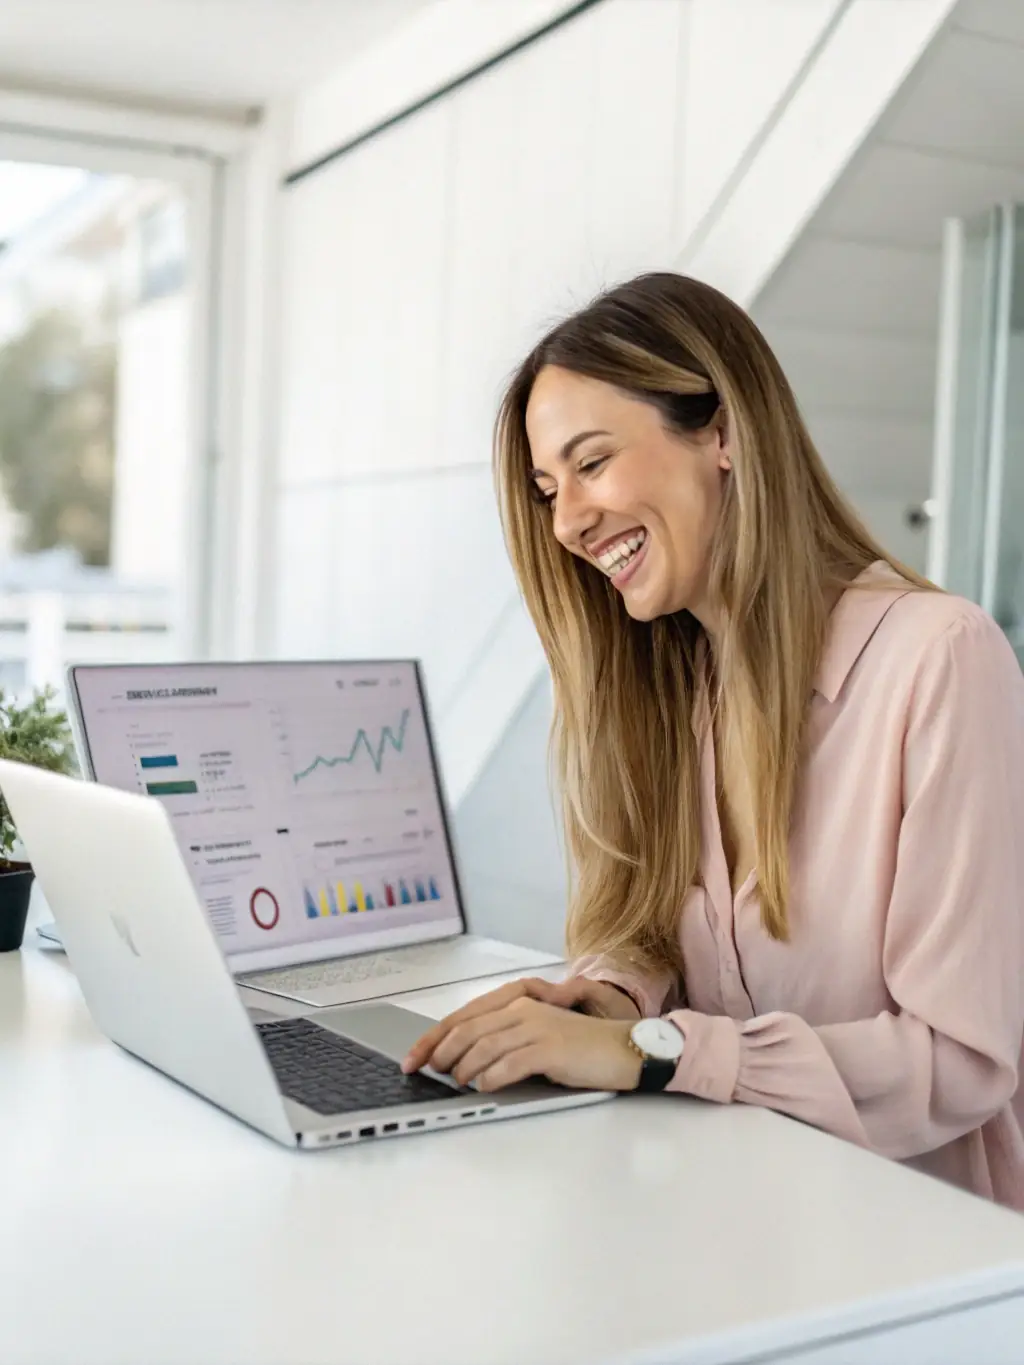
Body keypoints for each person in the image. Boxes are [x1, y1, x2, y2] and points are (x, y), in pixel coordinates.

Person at [402, 272, 1024, 1210]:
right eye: (547, 487)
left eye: (593, 462)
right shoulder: (675, 682)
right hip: (730, 1206)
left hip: (919, 1241)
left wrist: (651, 1051)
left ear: (722, 434)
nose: (567, 520)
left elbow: (962, 1059)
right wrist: (610, 1000)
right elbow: (659, 933)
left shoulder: (940, 657)